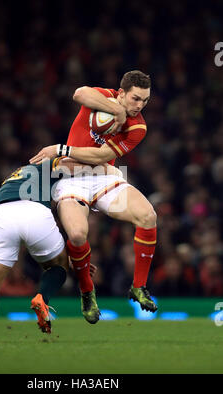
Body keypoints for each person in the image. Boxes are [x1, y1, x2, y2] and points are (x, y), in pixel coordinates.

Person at [30, 70, 158, 316]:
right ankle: (87, 293)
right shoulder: (101, 96)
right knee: (77, 235)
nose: (139, 106)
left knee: (148, 216)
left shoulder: (138, 127)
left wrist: (60, 149)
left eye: (145, 100)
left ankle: (139, 286)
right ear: (121, 93)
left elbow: (101, 157)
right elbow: (79, 93)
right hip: (71, 181)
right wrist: (118, 111)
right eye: (135, 99)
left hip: (103, 176)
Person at [0, 157, 118, 343]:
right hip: (35, 211)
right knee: (58, 267)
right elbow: (78, 166)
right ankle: (42, 298)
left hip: (3, 214)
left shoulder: (15, 175)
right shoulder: (50, 165)